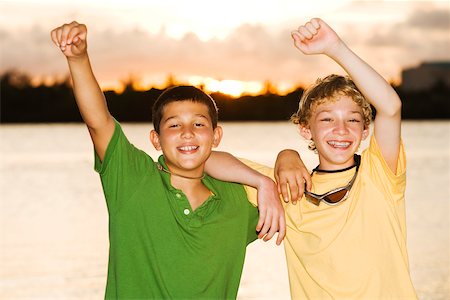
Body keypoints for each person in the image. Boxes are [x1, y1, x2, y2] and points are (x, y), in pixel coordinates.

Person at [50, 21, 286, 299]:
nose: (187, 133)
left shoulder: (237, 200)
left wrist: (286, 160)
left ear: (216, 136)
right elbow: (98, 121)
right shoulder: (133, 179)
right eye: (174, 126)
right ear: (156, 140)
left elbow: (310, 194)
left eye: (199, 124)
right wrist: (78, 58)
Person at [206, 18, 418, 299]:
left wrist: (335, 48)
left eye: (353, 120)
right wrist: (272, 171)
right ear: (306, 129)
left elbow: (391, 107)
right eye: (327, 119)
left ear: (366, 130)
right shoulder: (288, 187)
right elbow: (205, 159)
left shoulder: (379, 174)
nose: (341, 130)